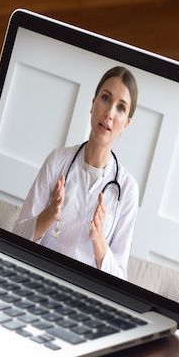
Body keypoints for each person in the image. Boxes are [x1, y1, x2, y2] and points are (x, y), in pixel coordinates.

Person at [12, 67, 141, 279]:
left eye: (121, 108)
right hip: (38, 278)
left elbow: (119, 279)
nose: (109, 113)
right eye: (105, 98)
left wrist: (99, 240)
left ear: (126, 123)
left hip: (84, 295)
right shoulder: (57, 161)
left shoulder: (127, 190)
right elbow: (16, 236)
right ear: (93, 104)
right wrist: (50, 214)